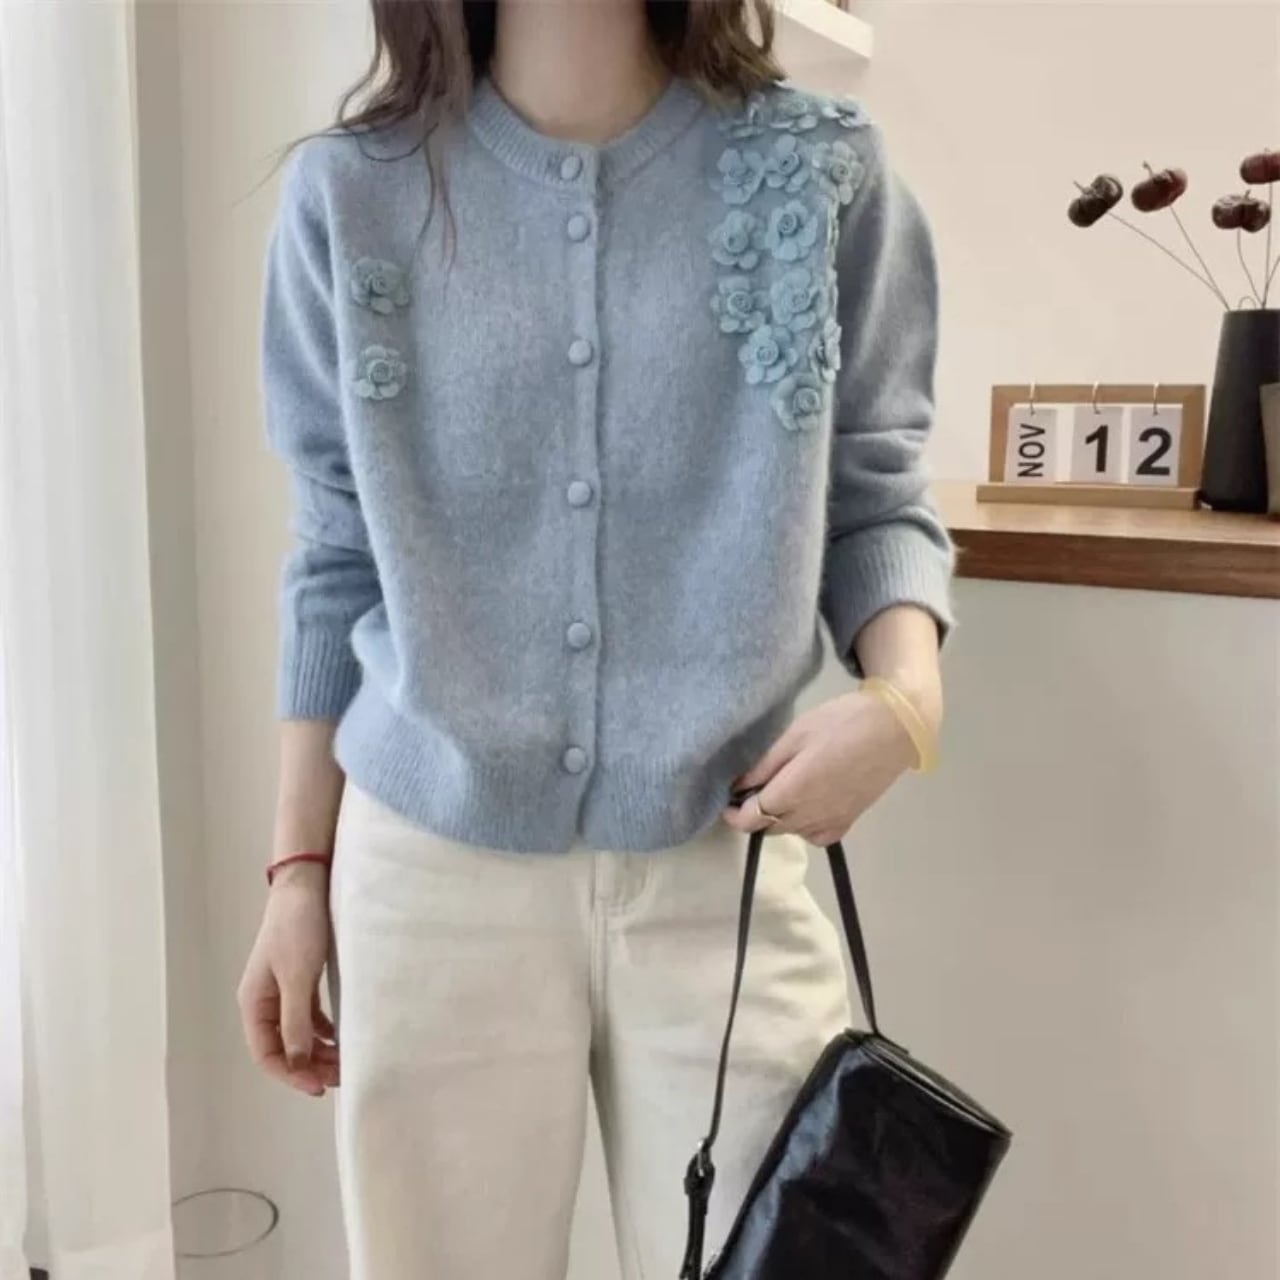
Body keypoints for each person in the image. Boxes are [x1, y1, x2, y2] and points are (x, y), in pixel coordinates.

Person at [237, 2, 954, 1276]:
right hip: (430, 872)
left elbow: (875, 489)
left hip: (725, 862)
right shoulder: (351, 194)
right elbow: (335, 552)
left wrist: (906, 704)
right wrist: (296, 872)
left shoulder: (822, 169)